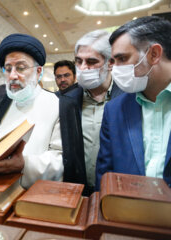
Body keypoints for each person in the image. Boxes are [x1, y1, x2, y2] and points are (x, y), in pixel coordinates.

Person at [0, 33, 68, 189]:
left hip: (35, 198)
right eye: (8, 68)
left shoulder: (56, 104)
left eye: (20, 68)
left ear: (39, 72)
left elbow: (61, 160)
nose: (13, 75)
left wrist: (24, 165)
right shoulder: (0, 104)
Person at [96, 16, 171, 189]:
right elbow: (105, 175)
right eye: (113, 61)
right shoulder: (114, 110)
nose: (115, 69)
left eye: (122, 59)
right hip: (124, 213)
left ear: (154, 54)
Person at [59, 30, 123, 194]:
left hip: (117, 189)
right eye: (78, 61)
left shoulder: (128, 98)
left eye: (91, 61)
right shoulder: (66, 100)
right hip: (77, 189)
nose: (83, 68)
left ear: (111, 63)